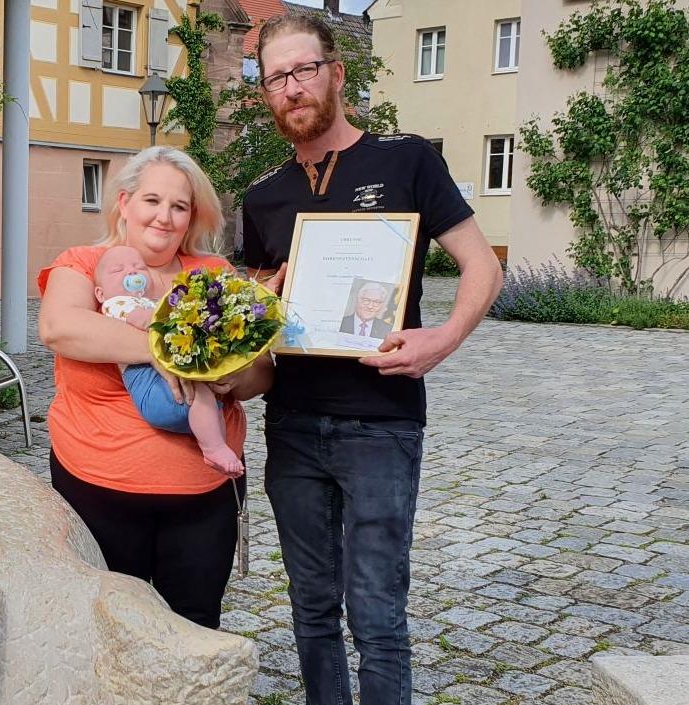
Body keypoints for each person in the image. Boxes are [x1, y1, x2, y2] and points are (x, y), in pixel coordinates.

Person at [214, 15, 504, 705]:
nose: (290, 88)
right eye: (274, 77)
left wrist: (442, 337)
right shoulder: (262, 195)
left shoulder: (405, 161)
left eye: (302, 70)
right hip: (292, 425)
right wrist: (240, 342)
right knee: (311, 611)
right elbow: (261, 326)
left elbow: (479, 266)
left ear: (336, 73)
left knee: (376, 613)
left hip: (381, 423)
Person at [38, 146, 246, 629]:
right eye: (153, 200)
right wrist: (162, 346)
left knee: (194, 624)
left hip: (203, 495)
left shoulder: (213, 273)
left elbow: (261, 375)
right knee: (106, 629)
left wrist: (233, 373)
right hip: (99, 488)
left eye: (180, 206)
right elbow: (59, 327)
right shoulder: (87, 263)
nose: (165, 217)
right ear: (125, 203)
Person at [92, 245, 243, 475]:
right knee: (200, 393)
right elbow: (143, 321)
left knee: (211, 404)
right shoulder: (116, 305)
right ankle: (213, 447)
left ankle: (217, 451)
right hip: (146, 379)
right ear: (100, 294)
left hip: (165, 384)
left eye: (139, 268)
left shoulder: (147, 303)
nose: (132, 273)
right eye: (118, 270)